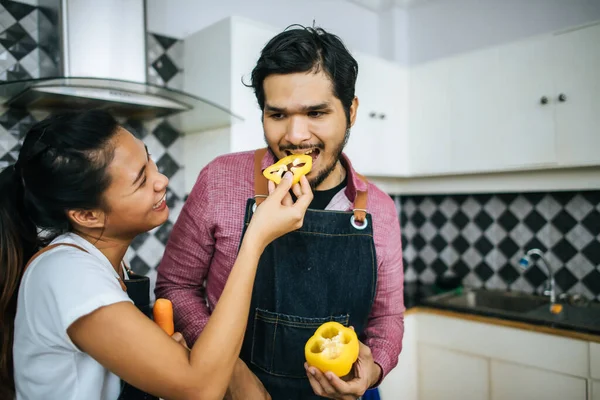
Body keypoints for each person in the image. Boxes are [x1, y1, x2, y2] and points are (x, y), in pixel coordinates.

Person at [155, 25, 405, 400]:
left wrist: (372, 369)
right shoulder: (219, 182)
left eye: (316, 112)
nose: (295, 136)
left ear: (350, 111)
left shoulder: (379, 210)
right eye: (277, 115)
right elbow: (175, 287)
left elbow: (388, 320)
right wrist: (231, 371)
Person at [0, 109, 313, 400]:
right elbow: (202, 388)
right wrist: (256, 237)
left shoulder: (97, 263)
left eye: (149, 160)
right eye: (141, 180)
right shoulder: (68, 274)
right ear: (86, 215)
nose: (161, 180)